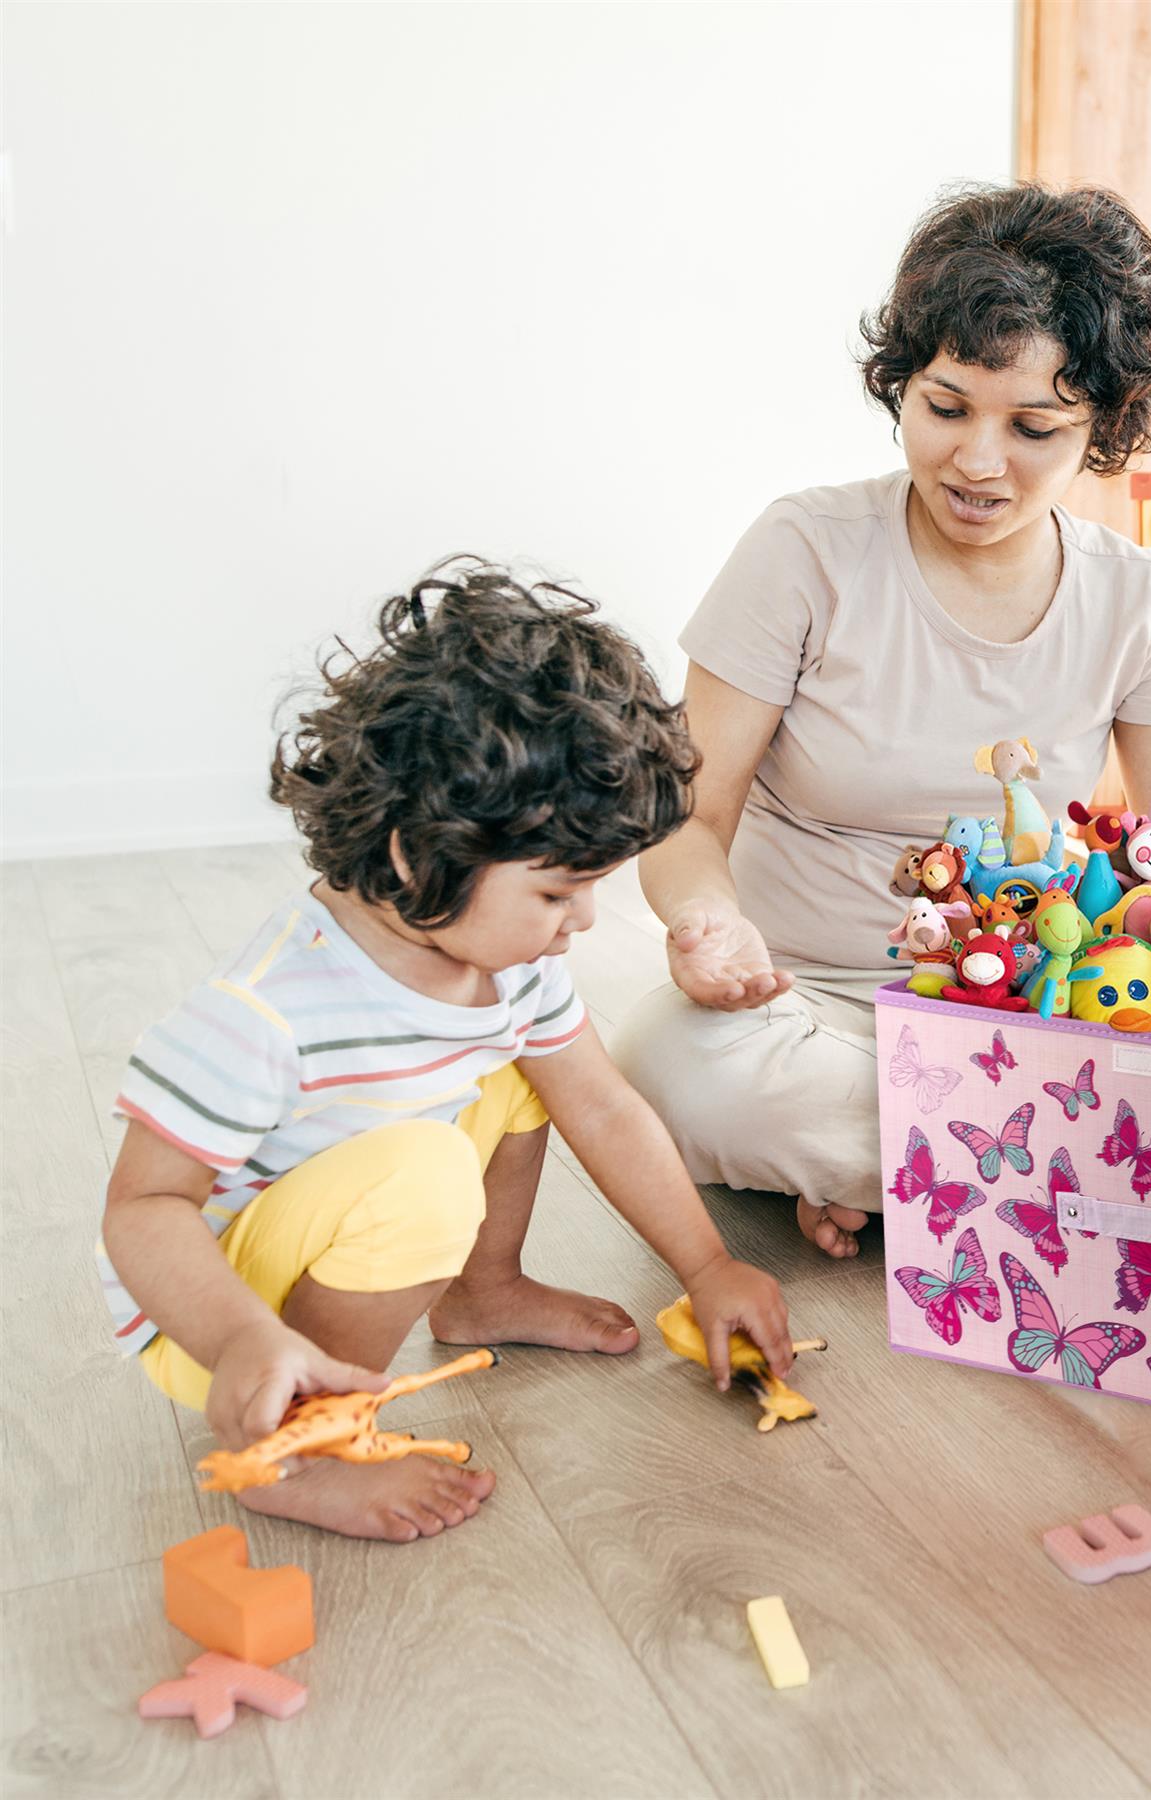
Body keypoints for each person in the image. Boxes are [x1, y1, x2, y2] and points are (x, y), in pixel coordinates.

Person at [99, 562, 795, 1542]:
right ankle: (302, 1446)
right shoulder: (266, 1014)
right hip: (221, 1318)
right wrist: (244, 1341)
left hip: (338, 1227)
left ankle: (483, 1290)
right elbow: (140, 1211)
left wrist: (707, 1266)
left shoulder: (505, 962)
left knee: (526, 1070)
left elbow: (598, 1103)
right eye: (557, 894)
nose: (583, 922)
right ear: (411, 852)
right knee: (424, 1171)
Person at [615, 182, 1151, 1259]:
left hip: (1020, 1015)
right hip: (801, 1009)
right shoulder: (805, 550)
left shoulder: (1135, 598)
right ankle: (1005, 1180)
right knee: (666, 1062)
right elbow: (686, 817)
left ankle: (889, 1178)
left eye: (1035, 427)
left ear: (1101, 427)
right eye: (948, 406)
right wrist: (708, 926)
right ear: (902, 385)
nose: (977, 461)